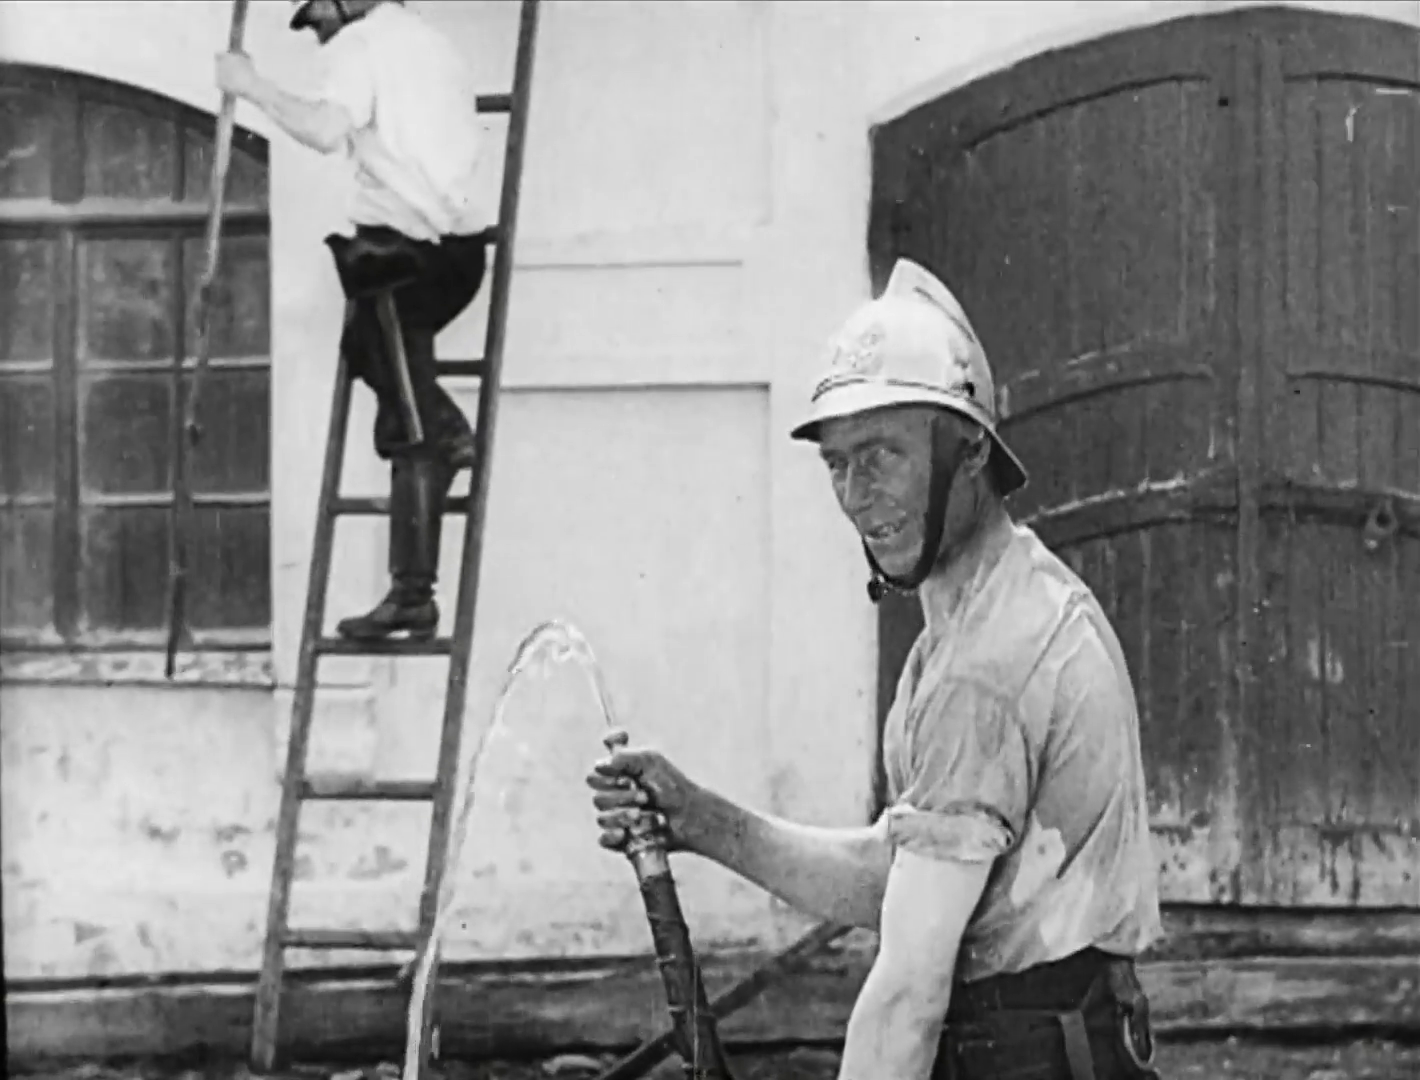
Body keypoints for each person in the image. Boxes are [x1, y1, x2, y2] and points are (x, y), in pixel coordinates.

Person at [588, 259, 1165, 1080]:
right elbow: (907, 882)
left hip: (1027, 1056)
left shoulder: (985, 667)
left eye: (884, 454)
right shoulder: (1003, 603)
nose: (858, 495)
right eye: (838, 462)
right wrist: (702, 820)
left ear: (971, 450)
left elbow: (907, 996)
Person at [216, 0, 493, 641]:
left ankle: (413, 594)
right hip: (456, 257)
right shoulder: (432, 44)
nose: (314, 29)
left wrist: (251, 85)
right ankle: (443, 430)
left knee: (412, 429)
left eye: (316, 12)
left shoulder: (359, 44)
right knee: (367, 349)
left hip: (402, 261)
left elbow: (324, 129)